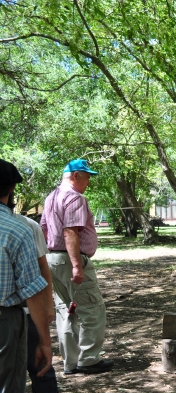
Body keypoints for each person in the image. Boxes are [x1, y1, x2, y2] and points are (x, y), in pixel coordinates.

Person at [0, 159, 53, 393]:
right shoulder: (17, 230)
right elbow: (34, 291)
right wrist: (44, 340)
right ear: (10, 190)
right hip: (4, 321)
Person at [40, 159, 111, 375]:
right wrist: (77, 266)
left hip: (53, 259)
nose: (88, 182)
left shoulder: (51, 197)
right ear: (76, 175)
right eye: (87, 177)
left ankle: (70, 362)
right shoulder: (74, 197)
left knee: (66, 310)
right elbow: (70, 231)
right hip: (70, 260)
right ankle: (89, 360)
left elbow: (43, 229)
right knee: (92, 309)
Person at [14, 213, 80, 393]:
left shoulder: (28, 226)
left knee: (41, 364)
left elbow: (43, 267)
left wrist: (48, 304)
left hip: (26, 310)